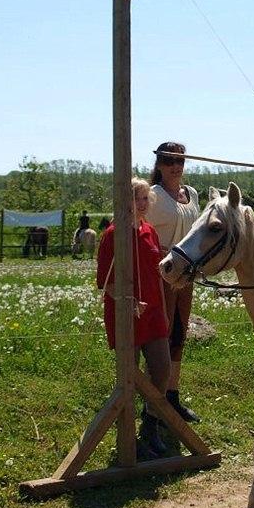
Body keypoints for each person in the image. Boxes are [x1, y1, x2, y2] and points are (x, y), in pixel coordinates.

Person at [96, 178, 171, 460]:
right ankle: (127, 439)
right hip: (125, 313)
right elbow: (104, 281)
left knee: (161, 368)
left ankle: (150, 423)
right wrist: (127, 302)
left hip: (152, 312)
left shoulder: (150, 231)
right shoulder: (112, 234)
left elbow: (155, 274)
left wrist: (161, 307)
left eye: (144, 198)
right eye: (136, 198)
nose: (141, 203)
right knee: (130, 375)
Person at [147, 141, 202, 423]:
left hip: (187, 273)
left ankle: (172, 395)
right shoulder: (153, 196)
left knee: (179, 333)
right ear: (159, 165)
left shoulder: (191, 194)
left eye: (180, 160)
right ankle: (153, 402)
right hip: (162, 272)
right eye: (169, 161)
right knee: (162, 335)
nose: (176, 167)